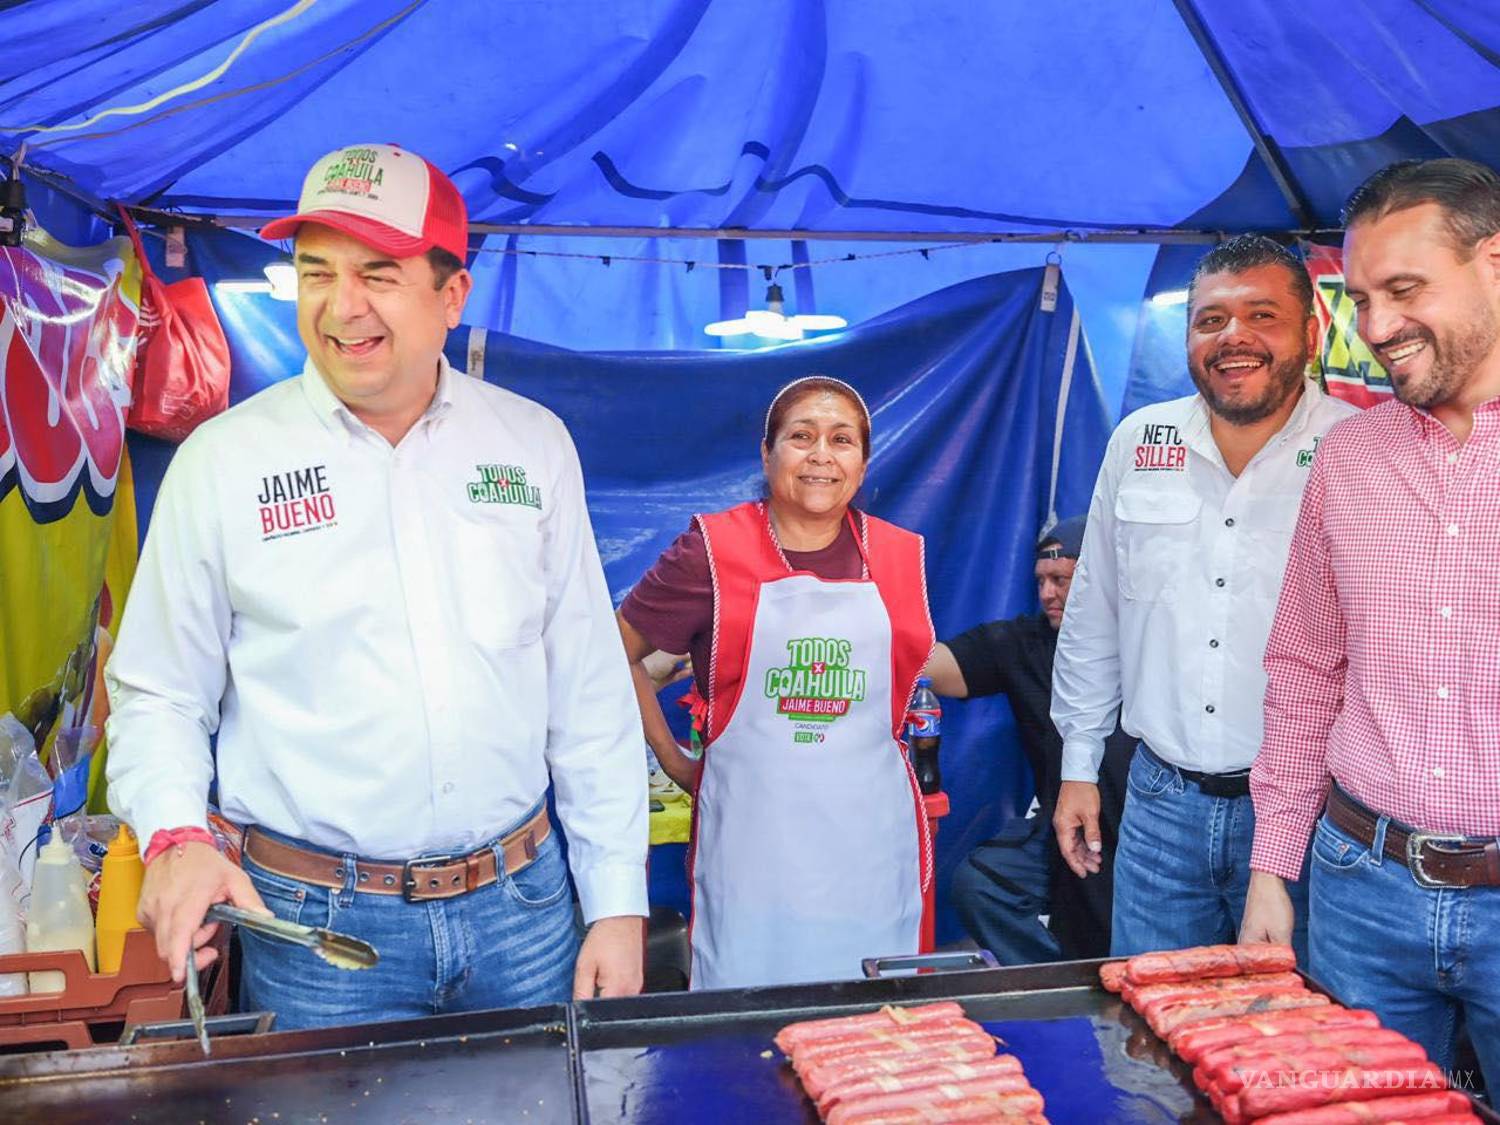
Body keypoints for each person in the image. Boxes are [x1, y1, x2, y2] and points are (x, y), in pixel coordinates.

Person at [105, 143, 647, 1029]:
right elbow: (159, 691)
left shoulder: (530, 444)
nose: (341, 306)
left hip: (523, 913)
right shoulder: (225, 463)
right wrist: (174, 833)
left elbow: (587, 690)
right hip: (315, 933)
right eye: (314, 271)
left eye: (378, 273)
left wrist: (619, 899)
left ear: (452, 295)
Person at [1242, 158, 1500, 1081]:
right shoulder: (1347, 460)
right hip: (1359, 887)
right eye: (1359, 298)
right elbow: (1308, 666)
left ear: (1495, 264)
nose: (1378, 327)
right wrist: (1273, 868)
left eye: (1404, 289)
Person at [1050, 234, 1357, 959]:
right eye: (1211, 319)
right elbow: (1096, 612)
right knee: (1153, 1044)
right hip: (1159, 806)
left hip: (1313, 815)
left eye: (1262, 315)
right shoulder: (1139, 440)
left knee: (1299, 1047)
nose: (1234, 337)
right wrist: (1078, 765)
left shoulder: (1357, 449)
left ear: (1311, 334)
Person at [616, 376, 934, 990]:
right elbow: (615, 652)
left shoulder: (902, 556)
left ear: (863, 464)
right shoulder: (711, 551)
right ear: (767, 455)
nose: (821, 455)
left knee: (872, 1033)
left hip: (870, 848)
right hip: (752, 858)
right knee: (745, 1039)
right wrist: (673, 758)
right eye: (801, 437)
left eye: (842, 440)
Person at [926, 515, 1136, 963]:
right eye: (1040, 580)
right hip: (1063, 828)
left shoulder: (1144, 641)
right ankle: (1054, 982)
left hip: (1146, 833)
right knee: (981, 883)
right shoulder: (1023, 643)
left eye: (1061, 580)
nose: (1047, 594)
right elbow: (926, 667)